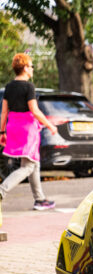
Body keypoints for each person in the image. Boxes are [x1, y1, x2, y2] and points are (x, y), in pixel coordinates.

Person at [0, 53, 57, 212]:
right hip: (27, 129)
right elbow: (35, 110)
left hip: (13, 127)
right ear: (25, 68)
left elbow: (4, 112)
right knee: (28, 166)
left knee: (34, 163)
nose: (32, 69)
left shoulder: (9, 87)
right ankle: (1, 191)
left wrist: (1, 131)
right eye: (31, 66)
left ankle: (40, 200)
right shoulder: (29, 87)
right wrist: (50, 125)